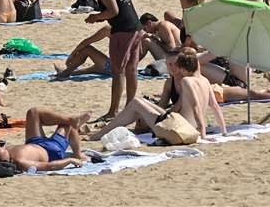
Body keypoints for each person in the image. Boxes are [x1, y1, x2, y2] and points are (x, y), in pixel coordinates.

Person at [88, 48, 227, 141]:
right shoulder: (203, 81)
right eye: (168, 65)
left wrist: (202, 135)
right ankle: (105, 131)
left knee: (137, 103)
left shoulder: (187, 81)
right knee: (139, 103)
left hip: (180, 128)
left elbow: (196, 108)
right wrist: (223, 131)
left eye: (174, 64)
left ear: (182, 65)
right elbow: (214, 106)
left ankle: (99, 135)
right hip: (180, 122)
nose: (171, 68)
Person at [75, 0, 142, 120]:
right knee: (131, 70)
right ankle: (130, 107)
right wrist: (101, 17)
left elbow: (113, 10)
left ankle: (113, 112)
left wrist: (96, 17)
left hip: (123, 31)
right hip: (135, 28)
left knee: (118, 72)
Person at [0, 107, 89, 172]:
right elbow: (50, 166)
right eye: (2, 148)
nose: (3, 147)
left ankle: (72, 120)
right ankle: (78, 153)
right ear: (8, 161)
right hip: (51, 150)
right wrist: (70, 160)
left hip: (34, 142)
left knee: (33, 112)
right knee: (67, 125)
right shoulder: (21, 162)